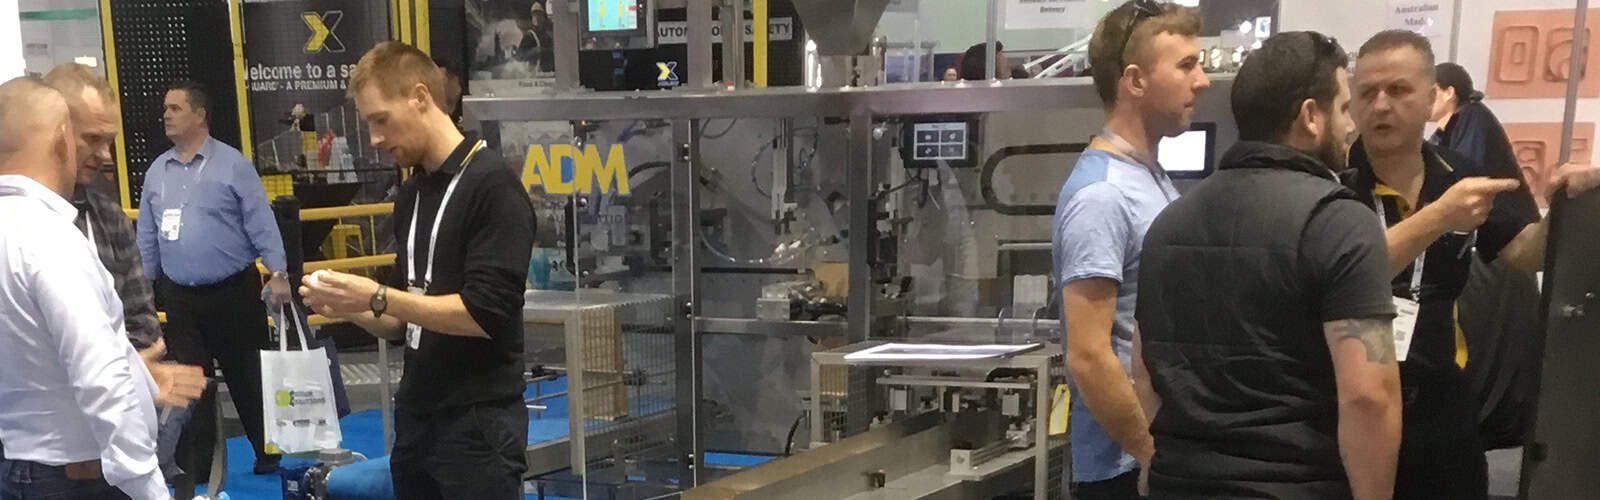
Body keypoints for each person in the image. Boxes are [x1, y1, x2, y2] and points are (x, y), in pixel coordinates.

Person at [1134, 31, 1402, 499]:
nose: (1352, 126)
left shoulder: (1168, 224)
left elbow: (1144, 374)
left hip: (1178, 483)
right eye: (1343, 108)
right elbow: (1369, 397)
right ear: (1310, 117)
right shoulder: (1340, 222)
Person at [1345, 30, 1596, 499]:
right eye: (1367, 92)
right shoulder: (1330, 181)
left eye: (1397, 90)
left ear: (1432, 100)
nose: (1380, 105)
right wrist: (1440, 218)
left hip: (1440, 397)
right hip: (1351, 397)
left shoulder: (1459, 173)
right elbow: (1345, 276)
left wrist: (1565, 204)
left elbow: (1524, 252)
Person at [300, 40, 534, 500]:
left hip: (477, 425)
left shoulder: (493, 187)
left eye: (380, 119)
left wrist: (376, 296)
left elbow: (484, 313)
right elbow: (400, 320)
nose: (375, 139)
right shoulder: (413, 193)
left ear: (420, 97)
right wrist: (347, 306)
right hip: (417, 418)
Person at [1051, 0, 1208, 497]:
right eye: (1186, 66)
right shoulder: (1102, 194)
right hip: (1124, 469)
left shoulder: (1146, 176)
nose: (1202, 81)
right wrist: (1152, 456)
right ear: (1135, 81)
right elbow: (1089, 356)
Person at [42, 62, 208, 489]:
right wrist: (129, 371)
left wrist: (131, 374)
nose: (105, 156)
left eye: (109, 141)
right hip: (43, 450)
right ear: (55, 133)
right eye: (92, 139)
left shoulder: (106, 215)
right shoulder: (21, 225)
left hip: (113, 437)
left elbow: (141, 322)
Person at [0, 76, 166, 500]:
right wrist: (147, 485)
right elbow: (100, 375)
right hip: (74, 475)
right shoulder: (49, 237)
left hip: (27, 463)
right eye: (90, 139)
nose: (103, 155)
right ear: (62, 138)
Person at [136, 79, 291, 475]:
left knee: (248, 376)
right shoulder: (157, 172)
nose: (166, 115)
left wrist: (278, 271)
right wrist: (142, 290)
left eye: (175, 108)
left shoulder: (233, 165)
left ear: (200, 115)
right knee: (191, 383)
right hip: (180, 296)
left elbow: (261, 220)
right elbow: (148, 236)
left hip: (233, 292)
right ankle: (197, 467)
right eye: (165, 108)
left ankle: (268, 454)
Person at [1429, 63, 1533, 200]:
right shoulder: (1445, 132)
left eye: (1431, 92)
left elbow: (1464, 173)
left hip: (1501, 211)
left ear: (1449, 93)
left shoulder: (1474, 117)